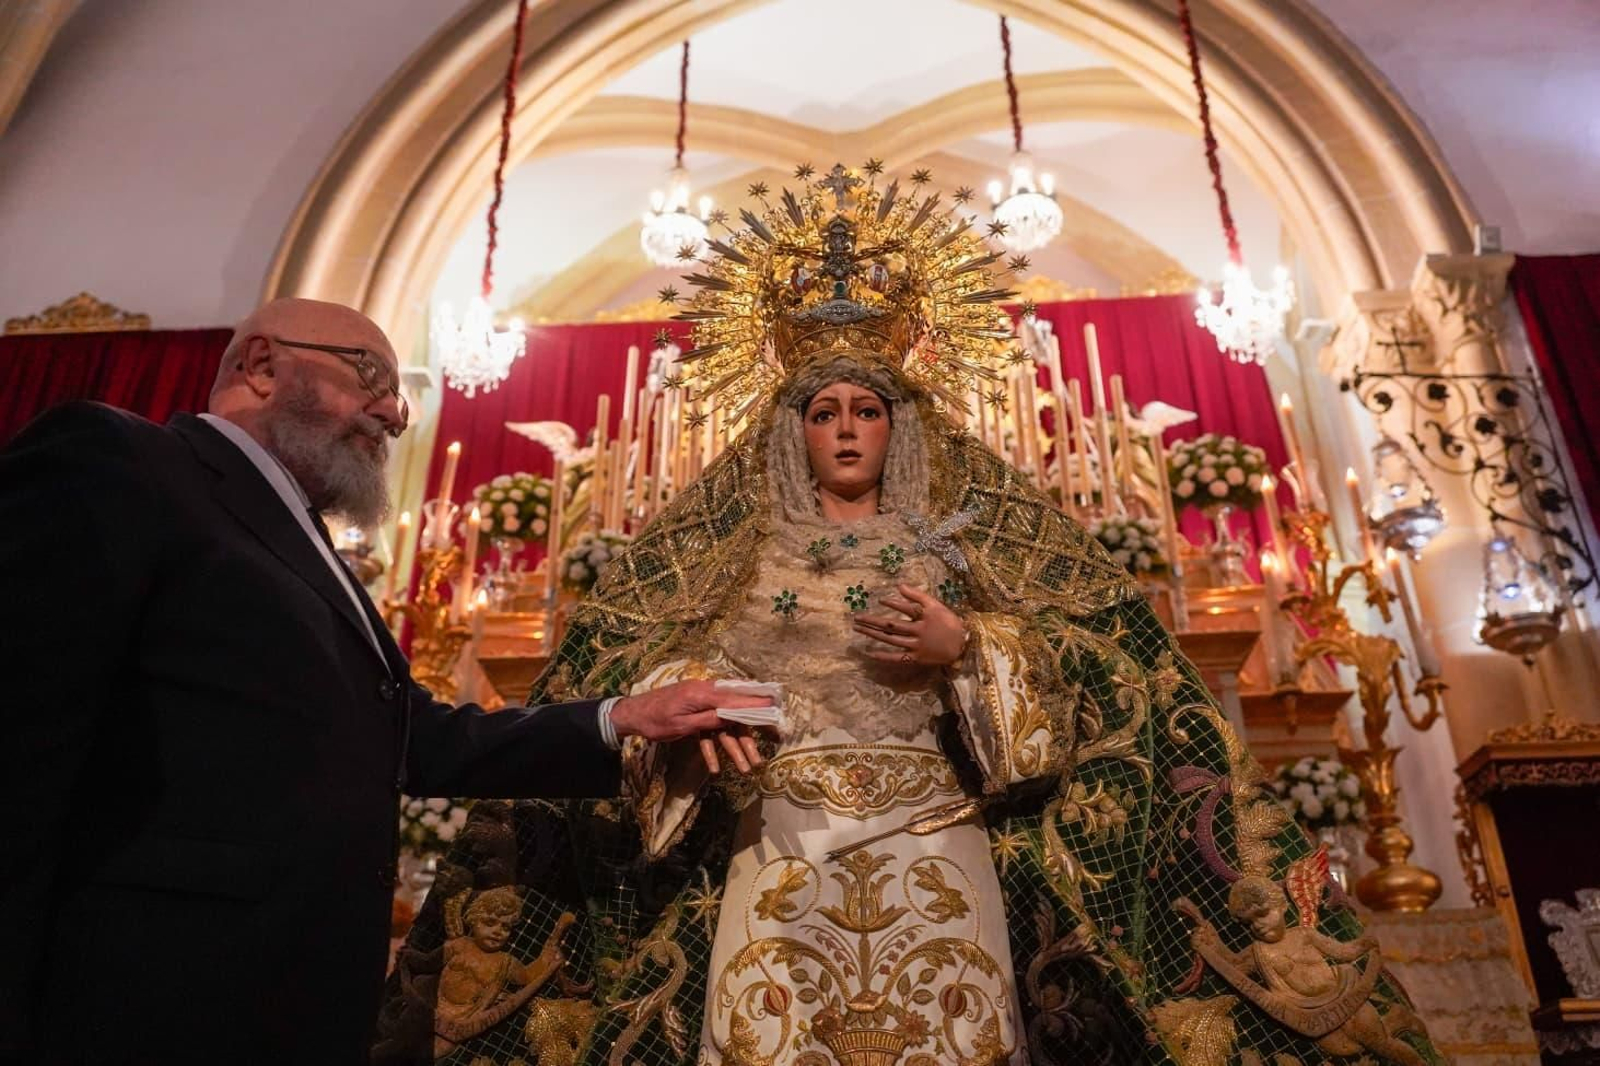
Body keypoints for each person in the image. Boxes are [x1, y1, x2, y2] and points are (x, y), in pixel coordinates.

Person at [379, 169, 1443, 1064]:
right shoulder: (724, 555)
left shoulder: (979, 539)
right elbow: (647, 678)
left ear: (901, 425)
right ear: (791, 429)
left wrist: (970, 649)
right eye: (823, 411)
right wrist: (690, 714)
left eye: (867, 410)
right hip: (777, 846)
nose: (846, 429)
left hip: (937, 837)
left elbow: (1102, 678)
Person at [0, 297, 769, 1065]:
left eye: (399, 395)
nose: (396, 415)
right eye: (370, 375)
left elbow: (414, 739)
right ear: (262, 365)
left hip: (282, 999)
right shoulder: (122, 461)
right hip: (146, 994)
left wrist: (622, 718)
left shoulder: (303, 538)